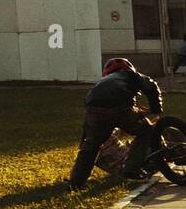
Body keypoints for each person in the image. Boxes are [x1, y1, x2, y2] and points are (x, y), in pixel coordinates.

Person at [69, 57, 163, 189]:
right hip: (120, 108)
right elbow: (151, 85)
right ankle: (131, 169)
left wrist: (88, 135)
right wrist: (155, 109)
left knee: (91, 147)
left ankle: (76, 183)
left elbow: (89, 107)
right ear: (129, 68)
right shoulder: (131, 75)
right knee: (146, 131)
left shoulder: (100, 83)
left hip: (94, 111)